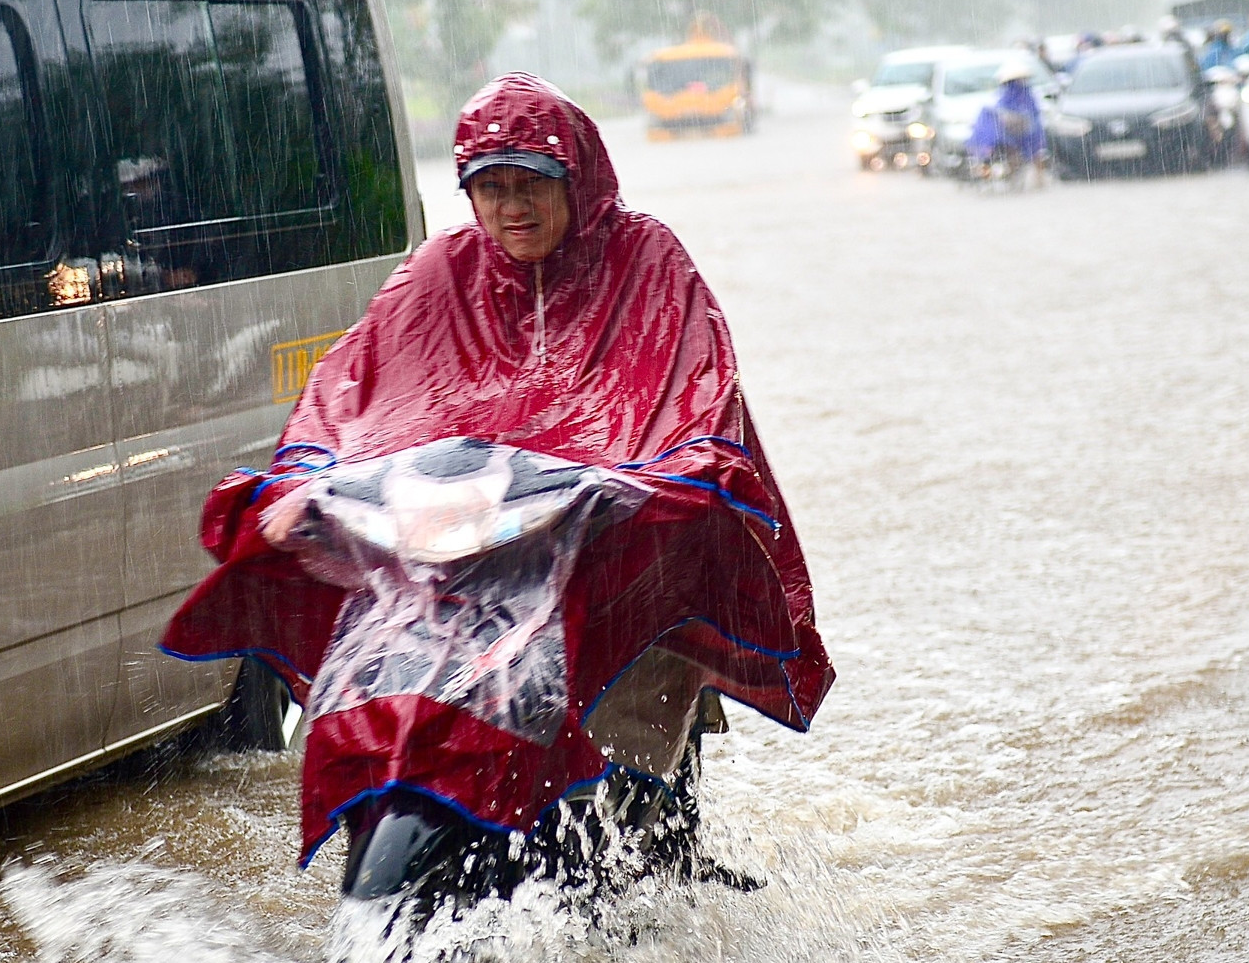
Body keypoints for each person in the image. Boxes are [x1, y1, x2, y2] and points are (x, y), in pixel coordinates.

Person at [162, 73, 833, 861]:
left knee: (640, 708)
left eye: (531, 186)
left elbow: (694, 393)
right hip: (476, 553)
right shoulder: (440, 270)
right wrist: (304, 477)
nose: (511, 210)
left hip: (612, 540)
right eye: (490, 188)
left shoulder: (646, 259)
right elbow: (349, 389)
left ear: (575, 181)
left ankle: (658, 850)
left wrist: (657, 475)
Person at [965, 62, 1047, 183]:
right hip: (1011, 133)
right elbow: (1001, 112)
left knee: (1036, 151)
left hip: (1027, 131)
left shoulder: (1026, 94)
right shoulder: (1007, 94)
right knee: (1015, 150)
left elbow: (1033, 112)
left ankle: (1038, 178)